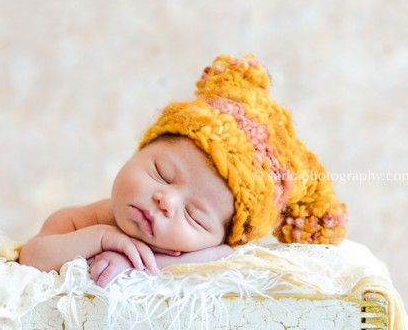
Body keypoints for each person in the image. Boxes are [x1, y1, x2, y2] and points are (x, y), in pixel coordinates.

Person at [18, 54, 348, 286]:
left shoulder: (206, 251)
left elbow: (221, 257)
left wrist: (138, 264)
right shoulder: (81, 221)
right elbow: (31, 257)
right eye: (162, 173)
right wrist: (102, 239)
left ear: (219, 235)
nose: (166, 201)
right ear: (139, 152)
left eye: (194, 215)